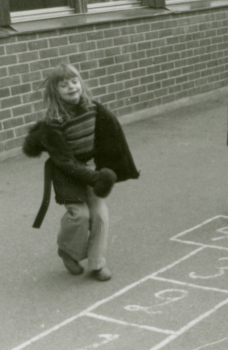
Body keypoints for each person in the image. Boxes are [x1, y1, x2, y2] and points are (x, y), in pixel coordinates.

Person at [23, 63, 140, 281]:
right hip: (65, 171)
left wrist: (116, 168)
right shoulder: (53, 121)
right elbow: (65, 161)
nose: (71, 87)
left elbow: (112, 138)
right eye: (63, 85)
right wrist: (97, 178)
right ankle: (67, 250)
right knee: (80, 215)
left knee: (99, 214)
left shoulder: (94, 109)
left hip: (89, 167)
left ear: (81, 83)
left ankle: (97, 263)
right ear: (54, 92)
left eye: (74, 81)